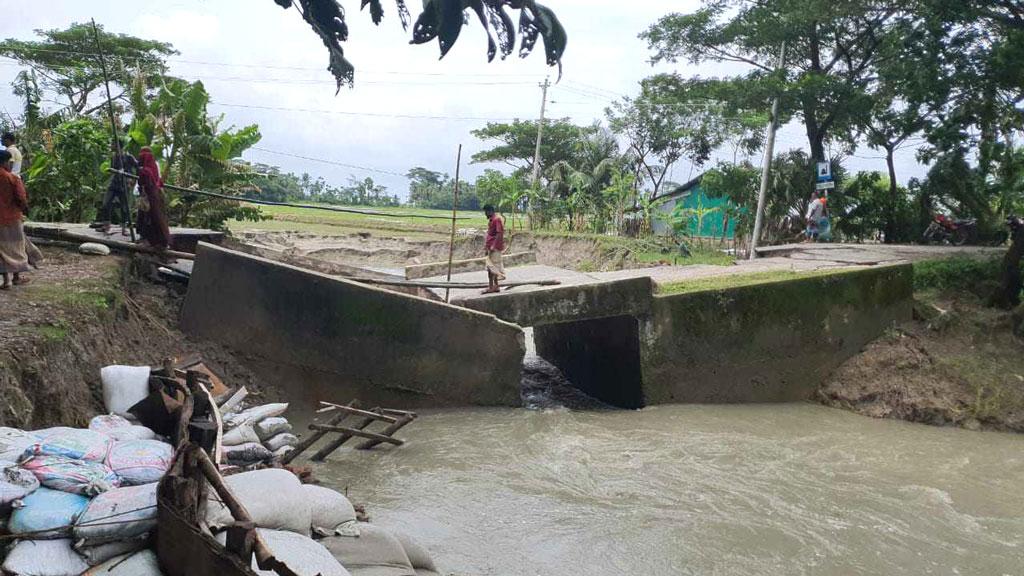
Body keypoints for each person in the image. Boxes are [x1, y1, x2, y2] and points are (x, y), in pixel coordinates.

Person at [91, 140, 138, 235]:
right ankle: (106, 226)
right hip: (114, 183)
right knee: (106, 204)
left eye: (112, 144)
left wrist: (132, 180)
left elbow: (138, 167)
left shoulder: (128, 157)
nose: (111, 145)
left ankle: (124, 228)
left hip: (124, 184)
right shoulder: (114, 157)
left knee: (124, 207)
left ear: (117, 145)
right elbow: (113, 170)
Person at [0, 149, 30, 289]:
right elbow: (21, 198)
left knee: (1, 250)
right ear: (5, 162)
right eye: (9, 162)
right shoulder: (12, 178)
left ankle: (6, 280)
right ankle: (16, 277)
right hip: (12, 218)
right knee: (16, 247)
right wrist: (24, 208)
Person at [135, 147, 171, 253]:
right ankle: (156, 241)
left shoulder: (145, 170)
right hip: (155, 195)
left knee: (152, 219)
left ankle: (158, 242)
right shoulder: (154, 167)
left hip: (150, 196)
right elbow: (159, 181)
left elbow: (143, 183)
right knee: (155, 218)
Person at [482, 204, 506, 294]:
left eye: (486, 212)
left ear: (490, 211)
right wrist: (487, 247)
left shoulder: (497, 220)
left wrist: (493, 246)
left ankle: (492, 286)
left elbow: (500, 233)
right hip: (491, 248)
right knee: (492, 268)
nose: (485, 214)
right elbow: (490, 234)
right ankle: (495, 286)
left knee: (492, 268)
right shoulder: (492, 220)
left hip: (494, 248)